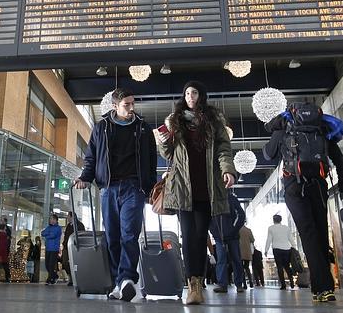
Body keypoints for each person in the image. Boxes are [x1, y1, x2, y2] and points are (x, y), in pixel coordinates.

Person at [156, 81, 236, 305]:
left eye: (195, 92)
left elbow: (224, 148)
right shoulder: (175, 121)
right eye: (187, 93)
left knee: (201, 237)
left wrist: (227, 170)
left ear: (202, 95)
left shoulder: (214, 120)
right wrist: (163, 142)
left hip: (207, 188)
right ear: (184, 96)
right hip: (183, 188)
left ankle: (198, 281)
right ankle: (193, 285)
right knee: (189, 236)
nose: (191, 96)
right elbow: (169, 154)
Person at [75, 87, 157, 302]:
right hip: (109, 189)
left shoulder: (143, 128)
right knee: (112, 238)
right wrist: (85, 177)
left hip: (134, 188)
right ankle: (118, 283)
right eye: (126, 105)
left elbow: (151, 160)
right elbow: (91, 157)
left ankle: (127, 278)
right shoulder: (101, 128)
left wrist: (150, 188)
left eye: (132, 103)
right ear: (114, 106)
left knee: (129, 234)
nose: (131, 108)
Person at [263, 102, 343, 302]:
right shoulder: (320, 130)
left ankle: (323, 287)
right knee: (320, 232)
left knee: (308, 233)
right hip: (319, 185)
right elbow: (340, 163)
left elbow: (268, 154)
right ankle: (322, 287)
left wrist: (278, 136)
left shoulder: (285, 128)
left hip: (294, 185)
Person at [209, 192, 246, 293]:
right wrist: (214, 232)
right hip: (219, 237)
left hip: (233, 236)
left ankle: (239, 284)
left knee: (236, 259)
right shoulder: (211, 200)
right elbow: (208, 218)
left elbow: (241, 214)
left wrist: (234, 229)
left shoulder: (231, 198)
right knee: (221, 260)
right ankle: (222, 285)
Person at [264, 214, 295, 290]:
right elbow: (290, 238)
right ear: (280, 220)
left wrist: (266, 250)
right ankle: (291, 281)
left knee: (279, 267)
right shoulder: (286, 228)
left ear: (273, 220)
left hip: (277, 249)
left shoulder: (271, 228)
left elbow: (269, 239)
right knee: (287, 266)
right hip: (286, 248)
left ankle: (283, 285)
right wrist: (294, 247)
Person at [62, 211, 85, 286]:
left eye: (68, 216)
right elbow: (66, 236)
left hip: (75, 247)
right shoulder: (68, 225)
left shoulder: (80, 225)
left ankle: (76, 279)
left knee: (75, 263)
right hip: (66, 247)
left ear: (72, 217)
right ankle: (70, 277)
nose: (67, 218)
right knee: (65, 262)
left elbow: (82, 235)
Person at [41, 214, 62, 284]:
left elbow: (53, 235)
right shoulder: (49, 227)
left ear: (56, 220)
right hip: (48, 248)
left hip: (54, 249)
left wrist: (47, 235)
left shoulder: (58, 228)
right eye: (50, 219)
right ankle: (55, 276)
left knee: (51, 265)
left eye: (52, 219)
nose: (51, 220)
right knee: (47, 264)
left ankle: (49, 279)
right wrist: (48, 233)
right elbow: (42, 233)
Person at [239, 224, 255, 289]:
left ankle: (244, 284)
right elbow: (253, 240)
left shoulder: (237, 230)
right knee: (247, 267)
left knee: (241, 268)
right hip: (247, 251)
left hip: (239, 251)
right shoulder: (248, 230)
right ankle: (251, 282)